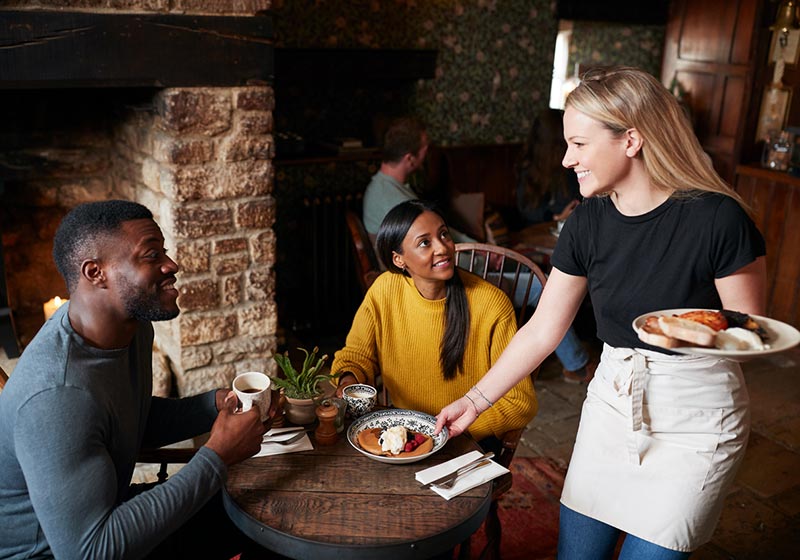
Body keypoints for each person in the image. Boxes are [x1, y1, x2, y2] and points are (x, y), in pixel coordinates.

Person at [434, 66, 766, 559]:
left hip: (697, 418)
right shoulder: (587, 222)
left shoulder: (718, 218)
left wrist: (682, 333)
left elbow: (750, 337)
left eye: (580, 144)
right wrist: (475, 400)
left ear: (630, 140)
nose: (567, 159)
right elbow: (544, 328)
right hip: (611, 405)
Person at [0, 200, 270, 559]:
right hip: (60, 551)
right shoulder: (56, 395)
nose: (172, 265)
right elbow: (90, 552)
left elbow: (126, 418)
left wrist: (214, 404)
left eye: (165, 252)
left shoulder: (133, 327)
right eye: (151, 255)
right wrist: (216, 456)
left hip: (105, 516)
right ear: (96, 273)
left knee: (260, 510)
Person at [363, 116, 594, 383]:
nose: (428, 152)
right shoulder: (396, 201)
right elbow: (435, 246)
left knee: (520, 268)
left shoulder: (382, 187)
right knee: (540, 287)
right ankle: (574, 365)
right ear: (410, 158)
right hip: (433, 283)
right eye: (425, 147)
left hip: (427, 275)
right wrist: (483, 252)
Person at [333, 200, 537, 446]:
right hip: (402, 434)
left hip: (466, 438)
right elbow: (355, 356)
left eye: (443, 234)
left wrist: (451, 433)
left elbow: (519, 402)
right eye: (424, 242)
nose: (443, 247)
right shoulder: (384, 290)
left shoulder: (491, 304)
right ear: (399, 260)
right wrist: (348, 383)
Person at [516, 107, 581, 226]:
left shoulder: (570, 167)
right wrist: (555, 217)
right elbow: (526, 209)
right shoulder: (530, 165)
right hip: (536, 229)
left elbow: (574, 204)